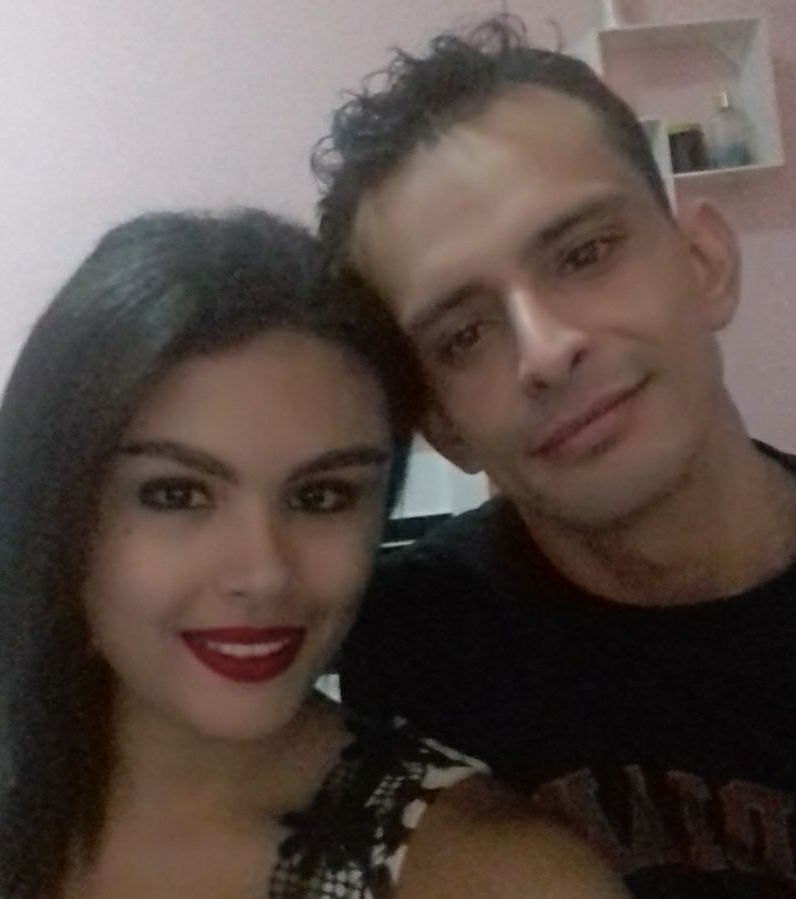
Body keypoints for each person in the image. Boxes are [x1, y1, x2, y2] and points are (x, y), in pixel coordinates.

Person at [0, 209, 628, 899]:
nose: (264, 573)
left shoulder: (499, 874)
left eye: (322, 496)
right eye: (175, 494)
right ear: (57, 513)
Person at [313, 15, 796, 899]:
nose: (545, 350)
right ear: (439, 423)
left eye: (584, 253)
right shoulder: (412, 642)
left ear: (703, 262)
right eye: (463, 335)